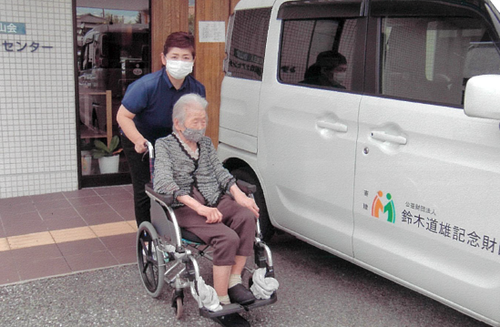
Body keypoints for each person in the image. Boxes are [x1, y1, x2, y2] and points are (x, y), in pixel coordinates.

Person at [154, 93, 259, 327]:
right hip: (184, 206)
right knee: (227, 237)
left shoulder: (206, 143)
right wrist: (199, 207)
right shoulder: (164, 145)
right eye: (195, 122)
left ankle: (233, 282)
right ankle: (221, 303)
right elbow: (162, 182)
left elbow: (221, 173)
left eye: (204, 121)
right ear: (178, 123)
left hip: (213, 198)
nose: (201, 127)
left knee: (247, 216)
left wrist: (240, 196)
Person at [117, 32, 206, 228]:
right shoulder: (146, 86)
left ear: (193, 60)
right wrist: (139, 141)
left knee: (175, 183)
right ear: (163, 58)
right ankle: (147, 237)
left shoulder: (197, 89)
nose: (180, 62)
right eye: (174, 57)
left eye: (186, 57)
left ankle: (171, 228)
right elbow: (122, 116)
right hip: (141, 138)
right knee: (145, 188)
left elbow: (195, 122)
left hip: (171, 140)